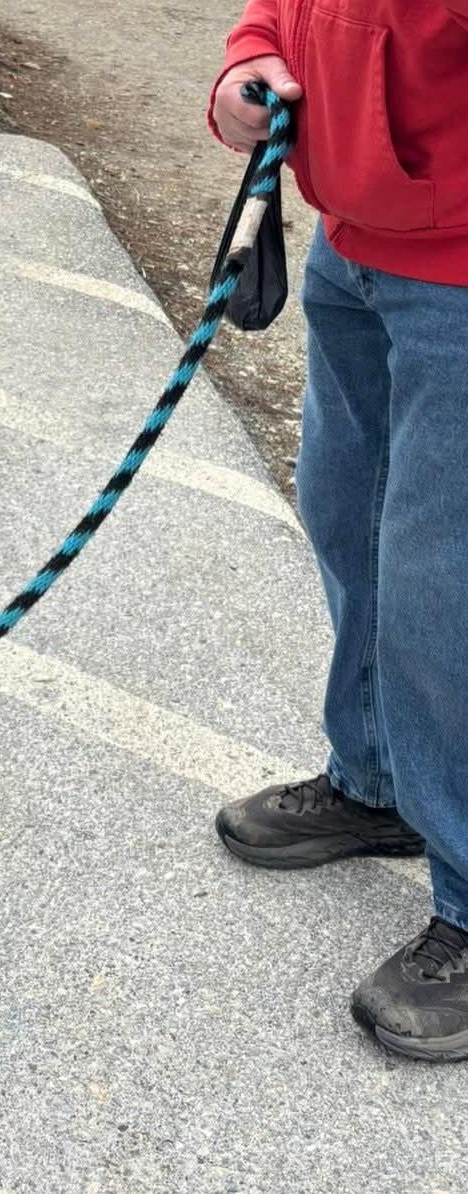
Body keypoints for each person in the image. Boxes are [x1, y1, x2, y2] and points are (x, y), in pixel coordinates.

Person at [208, 0, 468, 1062]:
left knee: (439, 591)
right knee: (344, 520)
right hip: (352, 253)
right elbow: (281, 13)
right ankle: (378, 784)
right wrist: (248, 69)